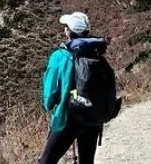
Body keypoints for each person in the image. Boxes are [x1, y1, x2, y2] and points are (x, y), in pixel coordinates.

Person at [37, 11, 108, 164]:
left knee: (46, 161)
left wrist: (48, 104)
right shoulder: (95, 53)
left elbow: (49, 97)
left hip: (69, 116)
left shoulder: (60, 56)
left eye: (66, 27)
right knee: (87, 161)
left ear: (69, 31)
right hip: (93, 114)